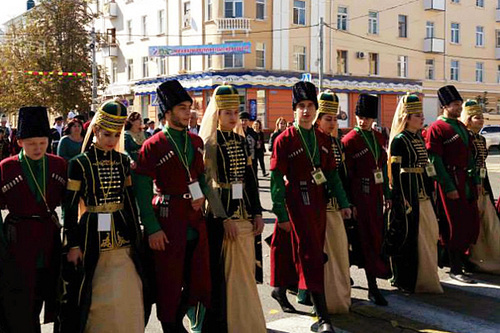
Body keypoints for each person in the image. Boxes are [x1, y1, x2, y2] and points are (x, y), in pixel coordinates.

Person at [271, 81, 350, 333]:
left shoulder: (322, 139)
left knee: (307, 251)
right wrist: (280, 213)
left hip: (318, 201)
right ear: (294, 110)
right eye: (301, 106)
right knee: (311, 255)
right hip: (296, 201)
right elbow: (275, 181)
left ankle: (280, 289)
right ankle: (323, 316)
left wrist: (344, 203)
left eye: (310, 106)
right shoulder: (284, 140)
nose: (306, 111)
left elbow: (333, 175)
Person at [59, 99, 145, 332]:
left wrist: (137, 234)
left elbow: (128, 201)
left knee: (129, 287)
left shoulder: (122, 161)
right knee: (94, 291)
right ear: (95, 130)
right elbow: (69, 207)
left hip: (121, 230)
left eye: (116, 135)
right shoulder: (79, 164)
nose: (112, 141)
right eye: (107, 134)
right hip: (91, 232)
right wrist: (73, 244)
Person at [134, 80, 210, 332]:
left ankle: (178, 321)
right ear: (167, 113)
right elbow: (142, 192)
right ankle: (171, 326)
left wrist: (202, 197)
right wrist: (152, 228)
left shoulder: (195, 141)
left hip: (195, 221)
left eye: (189, 107)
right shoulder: (153, 145)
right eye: (181, 108)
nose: (188, 112)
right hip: (167, 220)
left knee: (196, 281)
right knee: (168, 283)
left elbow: (198, 177)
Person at [199, 83, 266, 333]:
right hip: (221, 213)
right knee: (221, 276)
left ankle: (245, 320)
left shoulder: (241, 140)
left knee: (245, 273)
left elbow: (250, 179)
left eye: (235, 112)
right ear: (217, 114)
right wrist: (223, 217)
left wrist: (258, 212)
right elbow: (207, 184)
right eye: (227, 112)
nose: (233, 117)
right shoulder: (209, 144)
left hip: (244, 212)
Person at [0, 106, 67, 333]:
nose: (37, 148)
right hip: (18, 243)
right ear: (19, 142)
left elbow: (69, 202)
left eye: (42, 142)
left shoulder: (59, 164)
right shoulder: (6, 168)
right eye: (31, 143)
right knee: (20, 306)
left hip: (49, 241)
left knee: (52, 298)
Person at [387, 93, 443, 294]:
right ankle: (408, 278)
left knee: (429, 234)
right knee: (411, 236)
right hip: (409, 194)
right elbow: (395, 172)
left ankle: (427, 275)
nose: (422, 118)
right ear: (407, 118)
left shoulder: (418, 137)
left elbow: (425, 166)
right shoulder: (400, 140)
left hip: (423, 193)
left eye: (421, 114)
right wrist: (402, 199)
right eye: (417, 115)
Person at [425, 85, 480, 284]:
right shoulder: (436, 128)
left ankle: (464, 261)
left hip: (465, 181)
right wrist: (448, 186)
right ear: (445, 106)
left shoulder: (460, 126)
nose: (459, 108)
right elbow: (435, 160)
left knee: (467, 221)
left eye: (460, 104)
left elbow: (469, 155)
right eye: (456, 105)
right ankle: (454, 267)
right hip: (451, 181)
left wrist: (475, 179)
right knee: (452, 224)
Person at [342, 94, 392, 306]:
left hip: (376, 195)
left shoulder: (379, 138)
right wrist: (350, 203)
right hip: (358, 196)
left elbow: (383, 168)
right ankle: (369, 287)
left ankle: (373, 284)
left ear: (374, 119)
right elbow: (346, 175)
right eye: (359, 116)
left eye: (367, 118)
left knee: (375, 239)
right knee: (359, 241)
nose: (362, 121)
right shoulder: (349, 140)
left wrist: (387, 194)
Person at [315, 90, 353, 313]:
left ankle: (338, 294)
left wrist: (345, 202)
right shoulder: (313, 140)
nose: (332, 123)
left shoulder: (336, 143)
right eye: (327, 119)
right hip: (317, 206)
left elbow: (340, 175)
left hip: (334, 205)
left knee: (339, 250)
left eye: (335, 119)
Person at [461, 100, 500, 274]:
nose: (481, 120)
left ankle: (491, 256)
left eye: (482, 117)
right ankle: (472, 259)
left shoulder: (482, 139)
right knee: (472, 224)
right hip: (470, 184)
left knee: (491, 223)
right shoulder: (465, 137)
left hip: (483, 184)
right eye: (477, 117)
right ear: (468, 119)